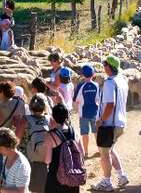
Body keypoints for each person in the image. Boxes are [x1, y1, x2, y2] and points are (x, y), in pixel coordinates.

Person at [91, 56, 129, 191]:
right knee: (110, 150)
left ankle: (106, 182)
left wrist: (101, 120)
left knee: (104, 153)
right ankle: (122, 176)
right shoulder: (123, 81)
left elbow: (110, 104)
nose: (103, 67)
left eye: (105, 64)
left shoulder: (109, 83)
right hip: (120, 122)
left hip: (109, 124)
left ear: (109, 67)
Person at [44, 103, 84, 193]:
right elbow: (82, 154)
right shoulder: (74, 132)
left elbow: (47, 160)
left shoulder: (50, 136)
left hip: (56, 176)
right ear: (66, 116)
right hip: (73, 175)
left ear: (53, 117)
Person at [16, 94, 51, 193]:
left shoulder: (25, 120)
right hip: (46, 158)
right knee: (43, 185)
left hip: (28, 158)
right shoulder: (49, 119)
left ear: (31, 106)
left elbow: (16, 139)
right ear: (45, 106)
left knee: (29, 186)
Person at [0, 128, 31, 193]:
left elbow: (21, 191)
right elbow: (7, 180)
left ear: (10, 146)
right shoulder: (6, 156)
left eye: (0, 148)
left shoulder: (21, 165)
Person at [0, 82, 26, 176]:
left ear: (2, 93)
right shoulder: (20, 103)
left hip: (3, 137)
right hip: (18, 135)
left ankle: (1, 181)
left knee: (1, 162)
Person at [73, 64, 99, 157]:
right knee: (96, 131)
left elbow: (75, 100)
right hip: (94, 112)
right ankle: (100, 149)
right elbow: (98, 99)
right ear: (93, 75)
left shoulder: (80, 86)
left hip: (83, 113)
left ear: (83, 75)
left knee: (85, 133)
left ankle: (86, 152)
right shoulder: (96, 85)